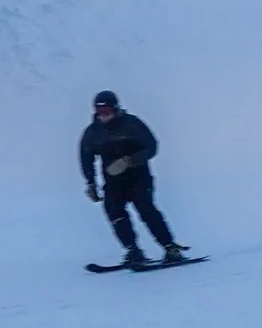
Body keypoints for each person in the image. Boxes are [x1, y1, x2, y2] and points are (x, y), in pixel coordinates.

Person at [80, 90, 187, 267]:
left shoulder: (132, 124)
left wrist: (130, 161)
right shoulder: (92, 133)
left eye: (107, 111)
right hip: (113, 181)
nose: (103, 116)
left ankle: (170, 247)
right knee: (114, 211)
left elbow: (152, 146)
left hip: (138, 177)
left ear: (116, 108)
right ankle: (132, 250)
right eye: (99, 112)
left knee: (146, 209)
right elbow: (86, 157)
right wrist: (90, 182)